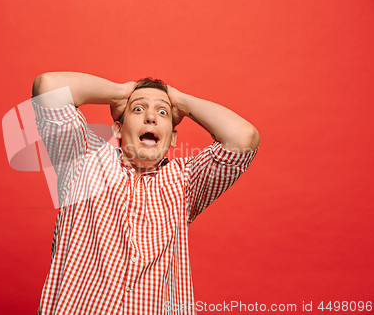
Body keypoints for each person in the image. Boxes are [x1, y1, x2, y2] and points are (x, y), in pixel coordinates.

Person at [31, 72, 259, 315]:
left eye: (162, 113)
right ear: (118, 129)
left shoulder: (186, 181)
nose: (150, 117)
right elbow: (48, 86)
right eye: (138, 110)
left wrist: (179, 101)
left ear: (172, 138)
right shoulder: (84, 159)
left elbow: (244, 136)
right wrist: (120, 93)